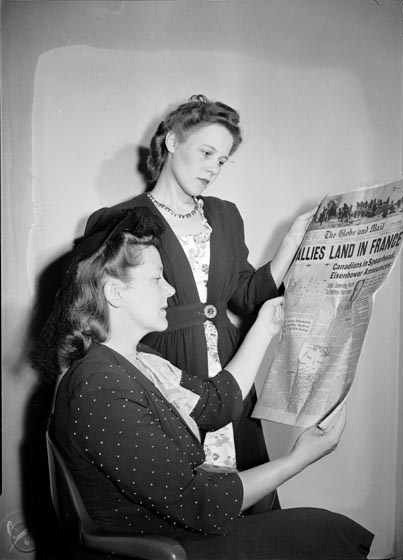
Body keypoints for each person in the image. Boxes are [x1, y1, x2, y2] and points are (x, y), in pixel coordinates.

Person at [36, 207, 373, 559]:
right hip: (166, 545)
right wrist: (299, 459)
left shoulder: (136, 360)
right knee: (325, 533)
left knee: (323, 530)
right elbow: (203, 503)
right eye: (156, 279)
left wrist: (265, 326)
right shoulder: (101, 386)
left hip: (182, 532)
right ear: (114, 293)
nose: (169, 289)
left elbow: (215, 405)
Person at [85, 95, 316, 512]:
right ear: (173, 142)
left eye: (223, 160)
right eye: (207, 152)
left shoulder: (226, 215)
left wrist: (291, 244)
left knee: (247, 499)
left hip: (231, 370)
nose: (214, 167)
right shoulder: (119, 218)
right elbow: (93, 312)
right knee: (184, 501)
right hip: (166, 365)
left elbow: (245, 298)